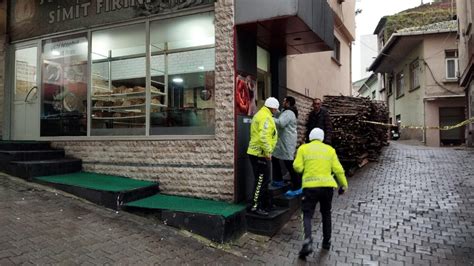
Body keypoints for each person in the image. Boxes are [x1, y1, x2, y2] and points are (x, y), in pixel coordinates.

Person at [293, 128, 348, 258]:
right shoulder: (330, 150)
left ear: (310, 137)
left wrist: (304, 169)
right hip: (327, 188)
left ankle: (307, 240)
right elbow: (338, 169)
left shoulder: (303, 149)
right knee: (326, 213)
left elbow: (297, 166)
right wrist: (344, 185)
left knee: (307, 214)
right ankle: (326, 242)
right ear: (322, 138)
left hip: (310, 187)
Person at [247, 97, 279, 216]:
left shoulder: (261, 114)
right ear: (273, 107)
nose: (276, 111)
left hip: (258, 153)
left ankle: (265, 204)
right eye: (276, 109)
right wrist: (267, 152)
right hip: (260, 154)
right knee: (261, 181)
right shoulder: (265, 117)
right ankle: (256, 206)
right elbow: (264, 137)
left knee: (264, 180)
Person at [271, 96, 302, 197]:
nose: (282, 102)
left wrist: (269, 118)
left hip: (287, 142)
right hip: (283, 142)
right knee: (275, 158)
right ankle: (278, 179)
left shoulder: (289, 113)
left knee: (289, 163)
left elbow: (280, 123)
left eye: (284, 101)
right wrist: (275, 111)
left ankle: (298, 186)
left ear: (288, 103)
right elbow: (280, 115)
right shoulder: (286, 111)